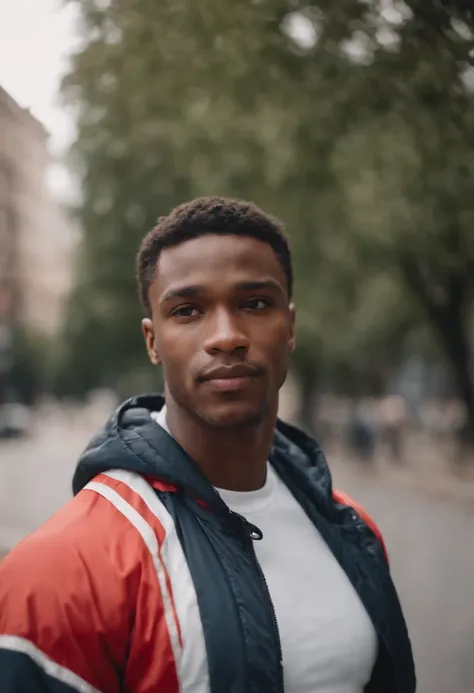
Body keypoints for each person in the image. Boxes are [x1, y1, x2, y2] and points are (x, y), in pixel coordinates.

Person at [0, 197, 416, 693]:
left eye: (255, 303)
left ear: (290, 328)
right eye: (188, 310)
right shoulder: (63, 570)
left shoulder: (352, 530)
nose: (226, 337)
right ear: (152, 341)